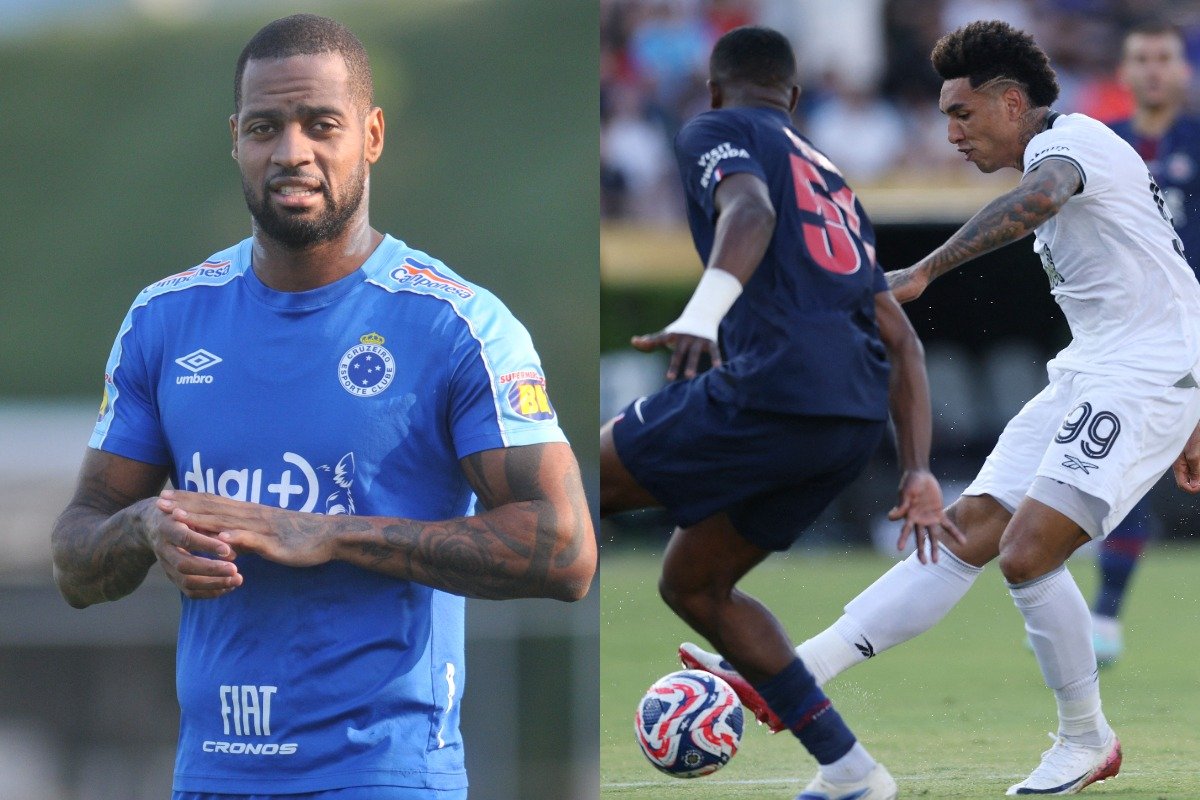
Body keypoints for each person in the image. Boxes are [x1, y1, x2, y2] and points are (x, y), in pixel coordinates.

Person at [50, 14, 596, 800]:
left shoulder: (459, 325)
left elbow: (567, 550)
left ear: (371, 136)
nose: (291, 151)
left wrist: (327, 533)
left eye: (321, 125)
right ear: (235, 140)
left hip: (384, 776)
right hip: (210, 775)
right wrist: (143, 528)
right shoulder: (163, 321)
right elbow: (75, 561)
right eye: (265, 128)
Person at [684, 20, 1200, 796]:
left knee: (1027, 553)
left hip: (1142, 377)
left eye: (962, 113)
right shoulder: (1070, 150)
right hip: (1096, 370)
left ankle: (1086, 740)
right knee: (963, 531)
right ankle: (792, 672)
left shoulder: (1075, 143)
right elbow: (1169, 275)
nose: (951, 132)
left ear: (1012, 102)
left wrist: (926, 270)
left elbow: (1042, 197)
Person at [599, 25, 959, 800]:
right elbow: (902, 341)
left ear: (714, 89)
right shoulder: (833, 181)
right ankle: (852, 773)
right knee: (695, 584)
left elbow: (750, 211)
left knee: (566, 482)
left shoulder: (715, 129)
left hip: (773, 393)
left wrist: (702, 314)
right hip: (851, 422)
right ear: (794, 97)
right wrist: (919, 470)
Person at [1082, 19, 1200, 666]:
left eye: (1164, 57)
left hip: (1195, 329)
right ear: (1124, 73)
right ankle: (1104, 614)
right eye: (1142, 58)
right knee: (1123, 472)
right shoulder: (1102, 146)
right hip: (1131, 341)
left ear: (1183, 70)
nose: (1154, 69)